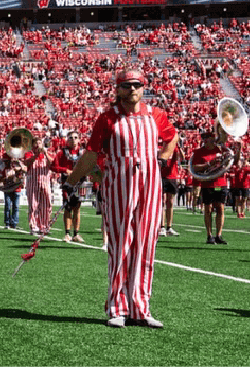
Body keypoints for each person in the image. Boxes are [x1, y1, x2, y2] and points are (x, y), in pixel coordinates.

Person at [65, 69, 178, 329]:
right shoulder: (107, 119)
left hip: (150, 186)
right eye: (127, 85)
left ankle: (141, 307)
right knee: (120, 246)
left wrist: (162, 158)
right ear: (118, 89)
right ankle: (117, 306)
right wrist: (72, 181)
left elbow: (172, 138)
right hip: (119, 186)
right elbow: (91, 155)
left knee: (146, 245)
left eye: (138, 85)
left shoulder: (156, 115)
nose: (133, 89)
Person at [191, 130, 236, 245]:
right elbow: (195, 168)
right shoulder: (198, 152)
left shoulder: (221, 150)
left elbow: (232, 161)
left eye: (211, 137)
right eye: (208, 138)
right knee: (208, 209)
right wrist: (209, 164)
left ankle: (219, 235)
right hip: (208, 184)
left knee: (220, 208)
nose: (210, 140)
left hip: (221, 183)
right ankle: (209, 235)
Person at [51, 132, 86, 242]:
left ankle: (76, 234)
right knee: (68, 207)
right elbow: (53, 166)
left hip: (80, 182)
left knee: (77, 208)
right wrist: (65, 170)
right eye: (71, 138)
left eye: (76, 137)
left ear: (79, 140)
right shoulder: (62, 152)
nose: (73, 140)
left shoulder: (83, 152)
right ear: (67, 140)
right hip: (67, 182)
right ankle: (67, 234)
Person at [23, 137, 53, 236]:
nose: (38, 144)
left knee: (46, 204)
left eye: (39, 142)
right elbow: (26, 163)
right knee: (33, 205)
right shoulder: (29, 153)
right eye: (36, 142)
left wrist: (45, 153)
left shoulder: (46, 153)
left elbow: (52, 164)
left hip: (45, 182)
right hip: (33, 182)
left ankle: (44, 226)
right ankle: (34, 226)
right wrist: (36, 155)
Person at [0, 149, 25, 230]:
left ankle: (14, 223)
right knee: (8, 206)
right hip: (7, 188)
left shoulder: (18, 165)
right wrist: (6, 178)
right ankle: (7, 222)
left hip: (16, 188)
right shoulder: (2, 167)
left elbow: (23, 175)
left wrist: (17, 171)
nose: (7, 161)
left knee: (16, 207)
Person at [159, 145, 184, 237]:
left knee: (170, 202)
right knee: (163, 201)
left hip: (172, 177)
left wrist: (180, 147)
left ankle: (169, 227)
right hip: (161, 176)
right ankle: (162, 226)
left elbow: (182, 158)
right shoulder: (160, 146)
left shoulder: (175, 147)